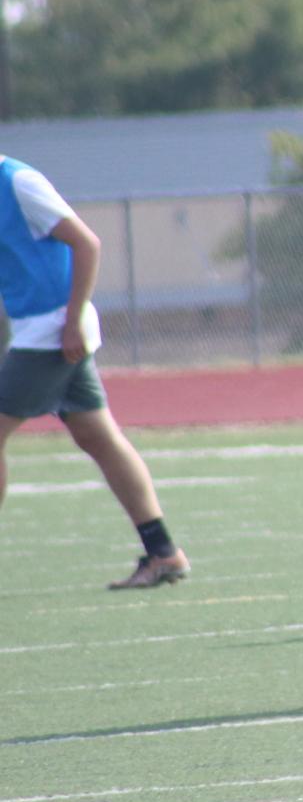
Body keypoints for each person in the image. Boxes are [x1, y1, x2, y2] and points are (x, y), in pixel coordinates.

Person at [0, 155, 192, 589]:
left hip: (51, 332)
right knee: (98, 437)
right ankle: (163, 552)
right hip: (38, 330)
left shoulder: (18, 183)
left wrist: (72, 321)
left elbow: (87, 243)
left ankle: (164, 552)